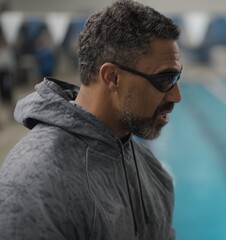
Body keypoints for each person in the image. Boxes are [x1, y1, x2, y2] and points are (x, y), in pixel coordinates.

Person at [0, 0, 182, 239]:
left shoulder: (151, 170)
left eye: (177, 77)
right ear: (112, 77)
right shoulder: (36, 183)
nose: (176, 96)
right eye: (165, 79)